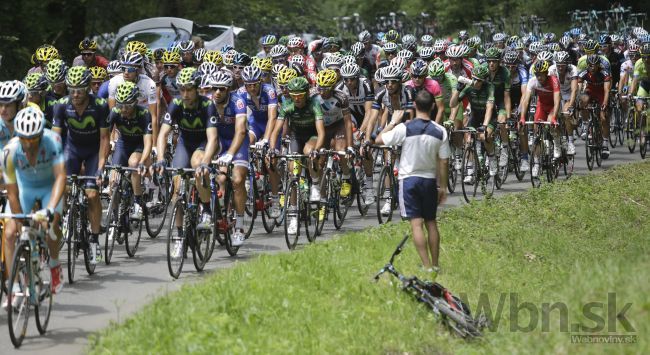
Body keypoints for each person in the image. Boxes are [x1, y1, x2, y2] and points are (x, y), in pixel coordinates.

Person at [375, 90, 450, 278]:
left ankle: (426, 266)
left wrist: (393, 121)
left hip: (408, 180)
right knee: (431, 222)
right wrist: (442, 186)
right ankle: (435, 264)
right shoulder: (440, 131)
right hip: (429, 180)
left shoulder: (405, 128)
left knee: (416, 224)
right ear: (433, 106)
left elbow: (378, 140)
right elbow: (444, 161)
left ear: (415, 106)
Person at [3, 107, 67, 303]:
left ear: (40, 135)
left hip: (49, 186)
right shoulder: (9, 151)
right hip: (25, 189)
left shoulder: (52, 141)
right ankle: (13, 286)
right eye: (24, 138)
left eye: (33, 138)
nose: (29, 143)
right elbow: (12, 193)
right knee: (9, 232)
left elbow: (60, 177)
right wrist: (20, 222)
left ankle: (55, 265)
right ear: (18, 135)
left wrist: (50, 209)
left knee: (51, 226)